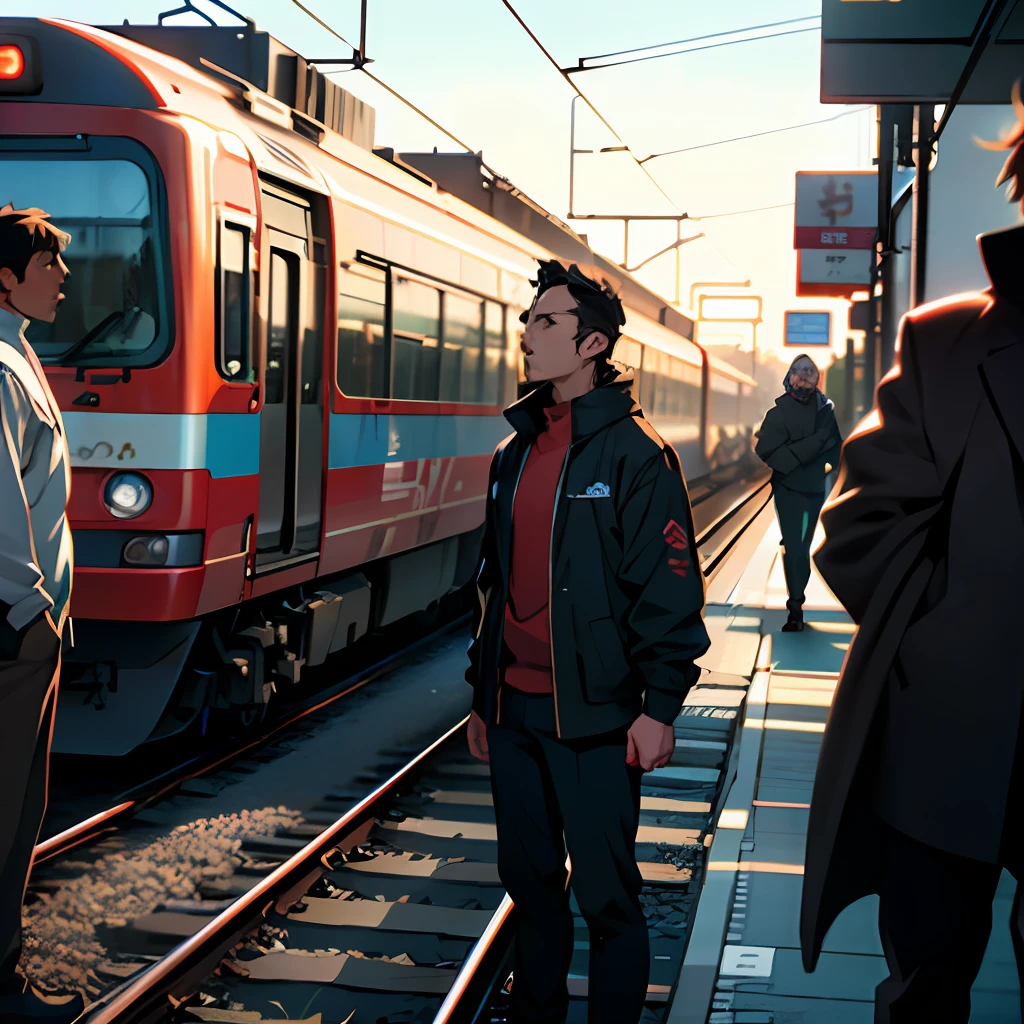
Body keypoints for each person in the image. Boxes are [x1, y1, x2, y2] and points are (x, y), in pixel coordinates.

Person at [800, 83, 1024, 1024]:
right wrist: (941, 639)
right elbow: (857, 529)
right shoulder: (948, 342)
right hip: (949, 742)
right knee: (924, 994)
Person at [463, 259, 710, 1024]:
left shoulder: (637, 456)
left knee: (607, 899)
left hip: (599, 720)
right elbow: (493, 587)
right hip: (516, 718)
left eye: (546, 323)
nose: (527, 334)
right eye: (528, 319)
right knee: (530, 892)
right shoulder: (513, 454)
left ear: (592, 343)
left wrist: (659, 705)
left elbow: (668, 590)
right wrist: (484, 696)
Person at [0, 204, 82, 1023]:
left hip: (26, 621)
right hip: (11, 628)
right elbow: (1, 511)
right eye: (50, 264)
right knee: (5, 812)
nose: (63, 278)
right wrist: (30, 612)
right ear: (6, 277)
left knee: (20, 808)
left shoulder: (16, 356)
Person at [753, 354, 842, 631]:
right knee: (795, 546)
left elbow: (835, 448)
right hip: (788, 489)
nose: (804, 374)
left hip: (814, 487)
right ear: (790, 376)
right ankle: (795, 607)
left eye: (810, 371)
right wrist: (811, 448)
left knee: (801, 547)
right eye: (799, 370)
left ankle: (796, 603)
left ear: (817, 378)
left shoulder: (826, 411)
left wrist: (793, 453)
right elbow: (765, 449)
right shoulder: (776, 413)